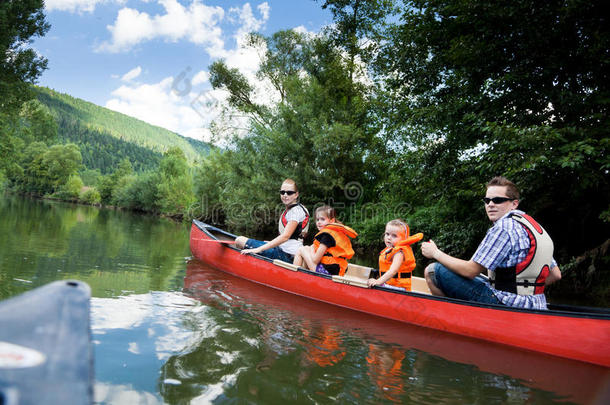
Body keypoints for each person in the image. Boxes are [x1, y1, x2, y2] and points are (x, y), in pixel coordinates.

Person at [421, 176, 562, 309]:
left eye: (498, 200)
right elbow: (555, 274)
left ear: (514, 204)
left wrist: (435, 252)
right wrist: (527, 291)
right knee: (485, 280)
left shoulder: (504, 228)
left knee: (434, 271)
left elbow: (470, 271)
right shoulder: (534, 227)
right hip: (537, 304)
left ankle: (452, 320)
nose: (490, 205)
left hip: (508, 305)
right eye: (487, 200)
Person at [235, 178, 309, 262]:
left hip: (287, 255)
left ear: (296, 195)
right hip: (284, 251)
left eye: (289, 193)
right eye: (282, 192)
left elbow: (285, 237)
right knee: (264, 243)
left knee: (239, 240)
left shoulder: (295, 212)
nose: (285, 195)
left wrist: (258, 249)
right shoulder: (297, 209)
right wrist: (270, 243)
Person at [293, 205, 358, 276]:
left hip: (326, 273)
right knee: (306, 248)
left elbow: (315, 260)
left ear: (332, 221)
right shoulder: (334, 233)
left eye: (322, 219)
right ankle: (304, 276)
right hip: (335, 270)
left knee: (301, 250)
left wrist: (312, 248)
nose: (319, 222)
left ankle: (294, 276)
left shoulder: (327, 236)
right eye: (317, 220)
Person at [368, 219, 423, 290]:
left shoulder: (399, 253)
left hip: (397, 288)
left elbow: (393, 271)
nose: (389, 238)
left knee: (373, 284)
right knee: (370, 281)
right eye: (387, 234)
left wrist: (378, 281)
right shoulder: (390, 250)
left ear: (403, 239)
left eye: (394, 236)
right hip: (389, 285)